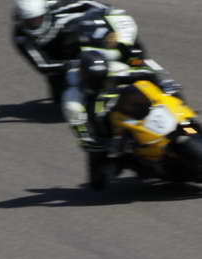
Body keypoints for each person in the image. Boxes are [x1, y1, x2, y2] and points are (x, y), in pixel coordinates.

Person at [60, 8, 183, 187]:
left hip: (126, 99)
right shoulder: (73, 95)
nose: (97, 82)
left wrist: (166, 82)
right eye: (93, 79)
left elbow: (147, 67)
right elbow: (78, 125)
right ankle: (136, 161)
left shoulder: (116, 64)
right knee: (99, 181)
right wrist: (90, 140)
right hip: (102, 121)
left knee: (168, 93)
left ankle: (184, 119)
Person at [12, 0, 113, 101]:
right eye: (29, 22)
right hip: (58, 59)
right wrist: (75, 64)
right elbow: (42, 65)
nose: (34, 24)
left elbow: (86, 3)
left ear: (46, 12)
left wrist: (110, 11)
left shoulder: (58, 6)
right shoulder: (21, 37)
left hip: (82, 38)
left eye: (38, 19)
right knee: (61, 97)